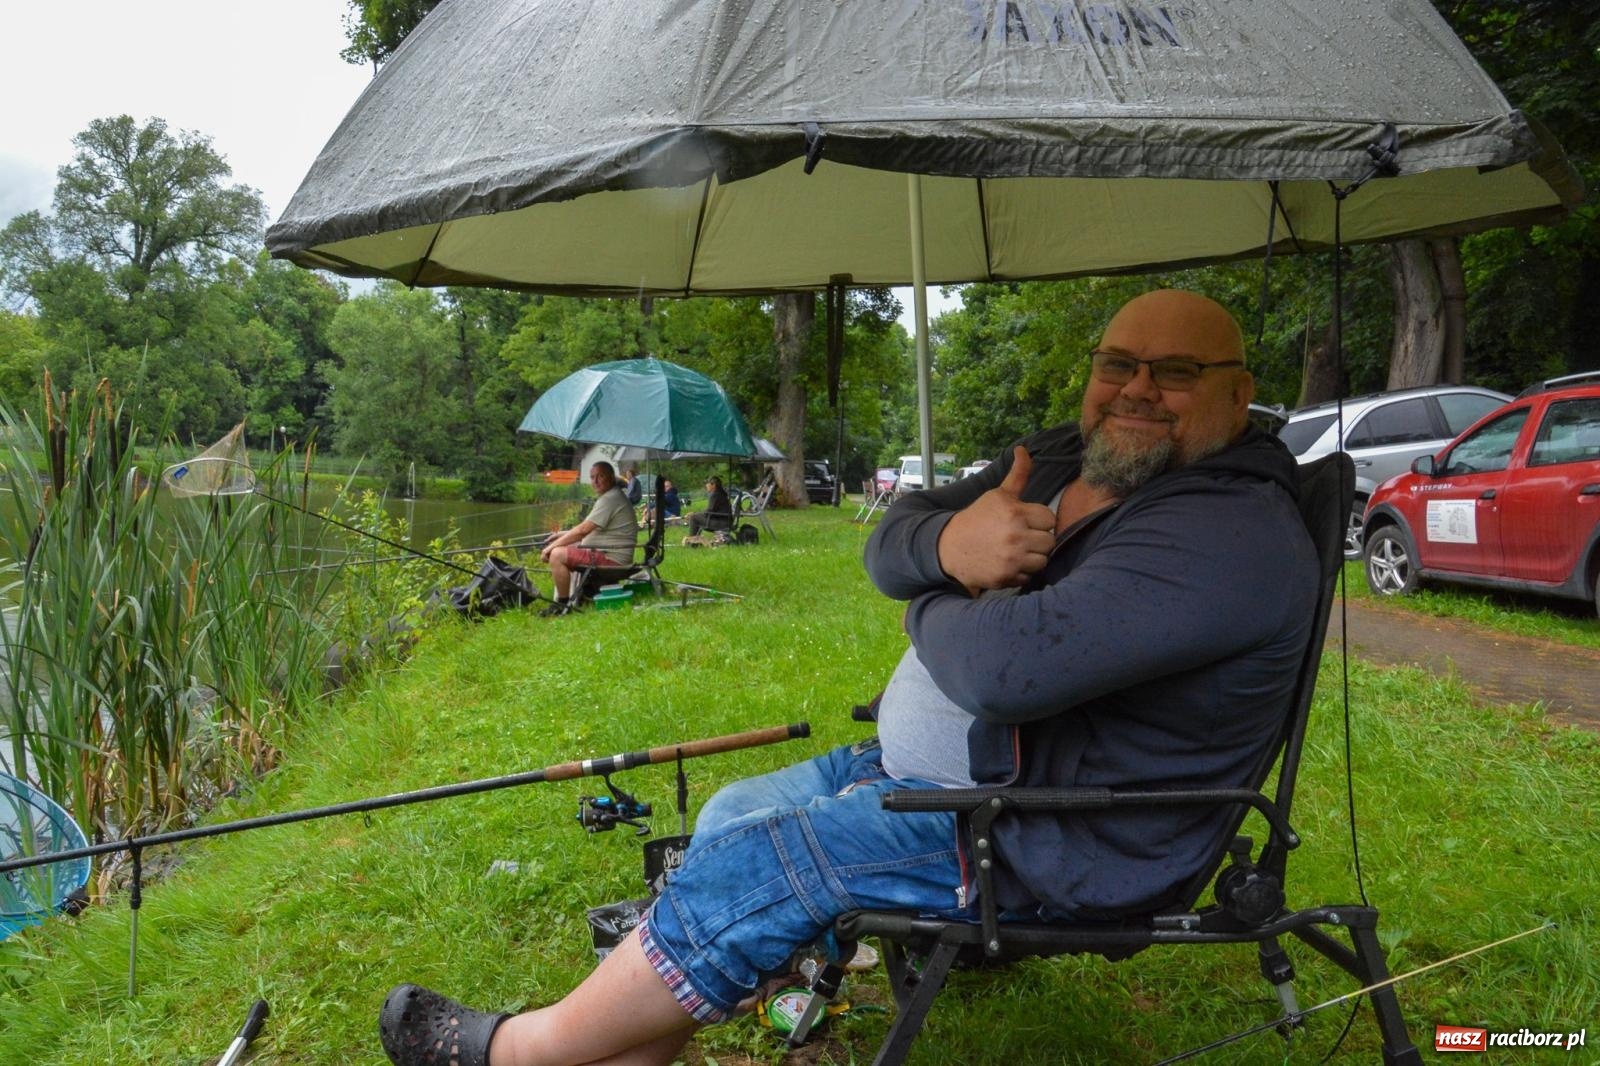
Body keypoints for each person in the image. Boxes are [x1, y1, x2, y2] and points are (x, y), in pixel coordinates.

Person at [377, 290, 1320, 1066]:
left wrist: (940, 582)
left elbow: (1003, 672)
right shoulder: (1064, 458)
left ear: (1238, 397)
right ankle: (637, 1044)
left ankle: (517, 1054)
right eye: (1118, 363)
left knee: (758, 862)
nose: (1137, 389)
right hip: (946, 778)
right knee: (731, 812)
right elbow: (890, 539)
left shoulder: (1228, 531)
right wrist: (951, 543)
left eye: (1178, 372)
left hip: (1045, 832)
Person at [537, 461, 639, 614]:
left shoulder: (610, 499)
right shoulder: (611, 496)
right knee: (565, 547)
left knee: (557, 555)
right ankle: (581, 595)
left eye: (600, 476)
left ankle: (562, 606)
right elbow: (590, 527)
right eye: (592, 477)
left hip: (613, 560)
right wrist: (560, 535)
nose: (595, 481)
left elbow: (583, 530)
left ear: (610, 477)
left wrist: (550, 548)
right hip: (608, 554)